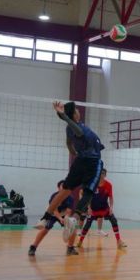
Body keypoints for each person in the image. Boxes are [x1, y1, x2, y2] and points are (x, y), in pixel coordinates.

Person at [37, 101, 104, 249]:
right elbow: (78, 133)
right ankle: (75, 218)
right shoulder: (76, 127)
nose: (79, 111)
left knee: (66, 189)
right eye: (77, 110)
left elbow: (69, 143)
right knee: (88, 191)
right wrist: (64, 117)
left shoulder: (69, 129)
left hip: (80, 160)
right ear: (73, 114)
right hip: (92, 161)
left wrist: (73, 152)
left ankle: (45, 217)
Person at [76, 169, 126, 251]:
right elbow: (88, 196)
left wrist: (111, 208)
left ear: (105, 175)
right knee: (87, 225)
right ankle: (80, 241)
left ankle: (119, 241)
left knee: (114, 220)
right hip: (94, 210)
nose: (101, 175)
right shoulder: (93, 184)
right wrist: (89, 208)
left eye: (103, 173)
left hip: (104, 208)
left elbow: (111, 197)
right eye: (100, 173)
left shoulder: (109, 185)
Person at [28, 182, 77, 256]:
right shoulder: (55, 196)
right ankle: (33, 247)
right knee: (45, 230)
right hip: (52, 213)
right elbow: (54, 210)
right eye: (63, 186)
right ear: (58, 188)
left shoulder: (70, 197)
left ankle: (70, 248)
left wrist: (66, 218)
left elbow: (68, 211)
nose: (65, 188)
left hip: (63, 214)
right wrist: (60, 218)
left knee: (73, 229)